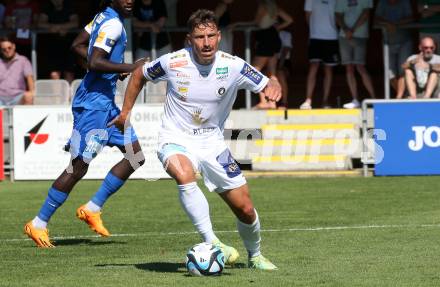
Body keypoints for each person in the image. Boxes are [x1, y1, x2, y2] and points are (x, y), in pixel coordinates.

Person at [111, 9, 281, 270]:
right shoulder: (173, 62)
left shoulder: (233, 65)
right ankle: (213, 241)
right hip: (175, 138)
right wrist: (125, 112)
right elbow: (139, 74)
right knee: (184, 174)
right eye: (200, 37)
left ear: (219, 36)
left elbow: (266, 83)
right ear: (189, 39)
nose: (207, 42)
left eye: (212, 35)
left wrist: (273, 85)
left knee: (245, 209)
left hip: (213, 143)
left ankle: (255, 255)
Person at [24, 0, 146, 248]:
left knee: (135, 156)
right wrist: (131, 67)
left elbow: (77, 45)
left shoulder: (102, 17)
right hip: (93, 105)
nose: (130, 0)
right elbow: (94, 62)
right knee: (78, 167)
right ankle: (38, 223)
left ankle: (92, 208)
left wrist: (113, 71)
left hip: (105, 102)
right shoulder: (111, 24)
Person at [246, 0, 292, 109]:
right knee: (272, 73)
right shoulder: (275, 7)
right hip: (274, 37)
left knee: (253, 71)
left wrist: (238, 24)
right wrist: (278, 27)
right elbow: (289, 20)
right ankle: (272, 102)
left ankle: (264, 101)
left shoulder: (263, 6)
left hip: (265, 37)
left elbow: (256, 22)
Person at [336, 0, 376, 109]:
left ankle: (374, 98)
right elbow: (338, 15)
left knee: (360, 66)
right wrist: (345, 29)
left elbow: (366, 13)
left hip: (360, 35)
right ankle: (355, 99)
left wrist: (352, 30)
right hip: (344, 36)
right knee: (349, 68)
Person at [301, 0, 339, 109]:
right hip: (315, 37)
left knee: (328, 69)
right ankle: (308, 100)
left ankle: (325, 100)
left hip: (332, 37)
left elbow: (338, 16)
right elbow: (307, 16)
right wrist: (313, 31)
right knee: (313, 66)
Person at [375, 0, 414, 99]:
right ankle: (403, 96)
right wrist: (388, 24)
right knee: (390, 74)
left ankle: (399, 97)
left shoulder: (405, 2)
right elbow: (376, 19)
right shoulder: (382, 3)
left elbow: (411, 17)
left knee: (403, 70)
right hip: (387, 42)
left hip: (404, 41)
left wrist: (395, 24)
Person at [38, 0, 79, 83]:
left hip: (69, 45)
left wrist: (62, 28)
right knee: (54, 73)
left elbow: (75, 23)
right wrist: (53, 27)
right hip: (52, 46)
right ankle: (57, 95)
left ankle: (69, 95)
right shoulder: (47, 8)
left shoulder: (69, 7)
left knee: (69, 72)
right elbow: (40, 23)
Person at [0, 37, 34, 105]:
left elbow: (29, 78)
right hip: (1, 98)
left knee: (28, 96)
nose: (7, 50)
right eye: (4, 49)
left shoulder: (23, 60)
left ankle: (25, 116)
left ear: (14, 46)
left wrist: (31, 92)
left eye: (9, 48)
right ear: (1, 50)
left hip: (18, 97)